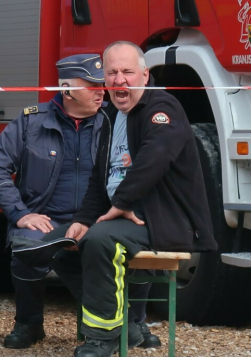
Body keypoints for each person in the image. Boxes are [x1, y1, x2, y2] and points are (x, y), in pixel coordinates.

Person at [22, 41, 218, 357]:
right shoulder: (111, 116)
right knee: (56, 246)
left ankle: (102, 339)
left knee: (100, 240)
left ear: (144, 73)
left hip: (159, 219)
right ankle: (125, 324)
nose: (119, 80)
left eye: (127, 71)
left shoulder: (163, 109)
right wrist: (82, 220)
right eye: (112, 73)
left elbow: (153, 159)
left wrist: (122, 203)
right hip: (120, 214)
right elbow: (99, 183)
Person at [0, 54, 159, 349]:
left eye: (101, 84)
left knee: (139, 246)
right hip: (46, 218)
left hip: (100, 219)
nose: (102, 90)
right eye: (91, 85)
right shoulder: (31, 122)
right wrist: (21, 213)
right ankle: (29, 323)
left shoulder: (116, 123)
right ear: (66, 90)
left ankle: (135, 321)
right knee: (27, 245)